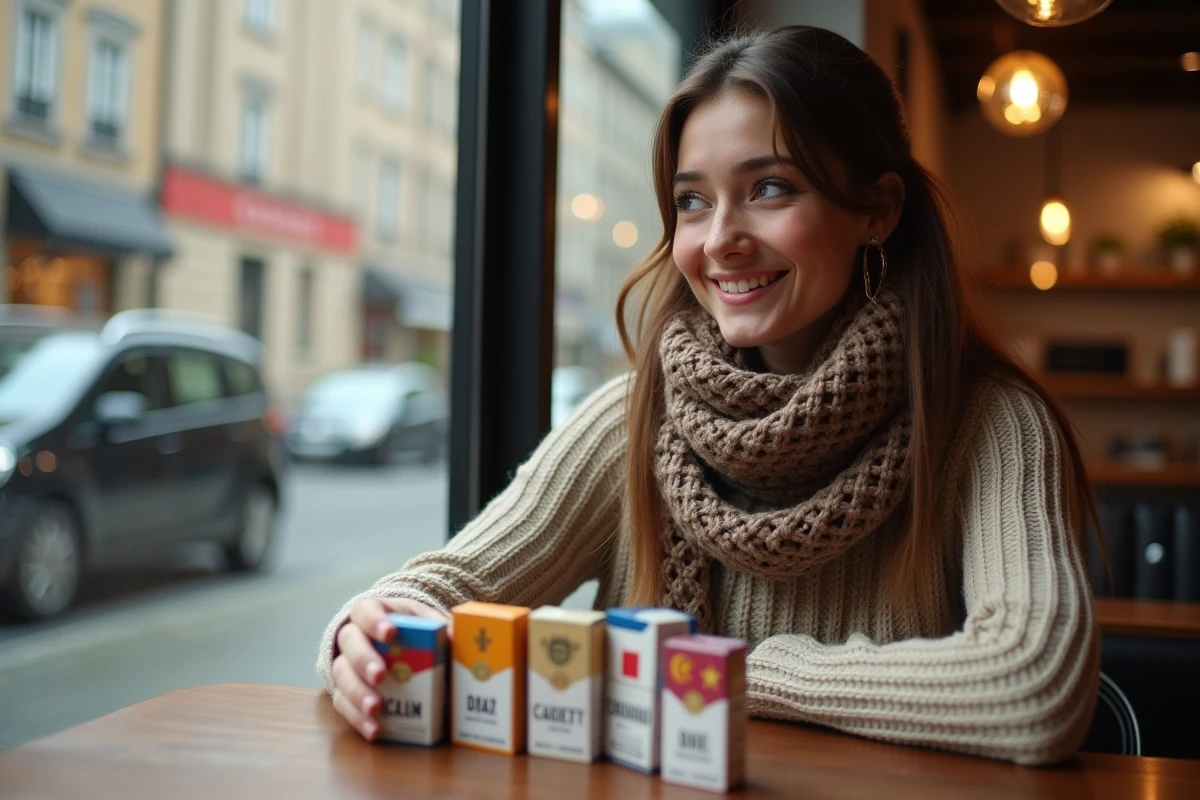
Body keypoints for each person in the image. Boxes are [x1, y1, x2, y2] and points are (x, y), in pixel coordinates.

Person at [316, 26, 1100, 766]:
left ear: (877, 211)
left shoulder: (991, 425)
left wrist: (707, 674)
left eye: (769, 187)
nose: (719, 237)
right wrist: (372, 629)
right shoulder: (633, 419)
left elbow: (1032, 685)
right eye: (692, 200)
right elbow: (447, 586)